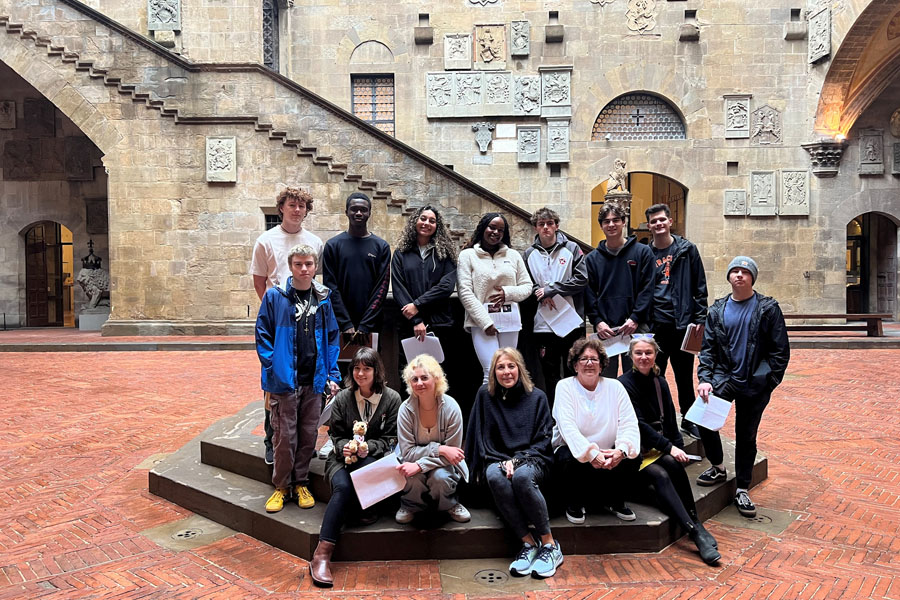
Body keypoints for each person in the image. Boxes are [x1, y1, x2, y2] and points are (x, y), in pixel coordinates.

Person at [694, 256, 790, 518]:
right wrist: (705, 378)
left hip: (754, 382)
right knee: (703, 420)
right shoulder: (717, 310)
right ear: (728, 277)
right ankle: (718, 467)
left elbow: (780, 351)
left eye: (745, 272)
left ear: (752, 278)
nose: (739, 275)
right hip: (723, 379)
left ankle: (742, 488)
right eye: (734, 271)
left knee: (746, 435)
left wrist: (768, 382)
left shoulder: (768, 309)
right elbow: (708, 349)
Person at [619, 336, 720, 565]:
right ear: (631, 356)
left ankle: (695, 520)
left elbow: (671, 422)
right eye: (638, 353)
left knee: (674, 465)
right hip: (635, 450)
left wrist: (678, 447)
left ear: (656, 355)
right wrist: (669, 447)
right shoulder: (623, 384)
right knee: (661, 475)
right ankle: (695, 533)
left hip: (656, 447)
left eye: (648, 353)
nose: (643, 357)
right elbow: (638, 425)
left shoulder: (660, 382)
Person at [255, 244, 341, 514]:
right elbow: (263, 334)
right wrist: (273, 367)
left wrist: (331, 373)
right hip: (284, 381)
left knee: (308, 435)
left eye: (309, 264)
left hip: (314, 381)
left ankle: (301, 482)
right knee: (284, 436)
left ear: (315, 267)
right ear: (290, 266)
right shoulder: (275, 296)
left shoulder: (323, 299)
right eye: (298, 264)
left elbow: (331, 338)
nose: (304, 269)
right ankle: (282, 486)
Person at [465, 348, 563, 578]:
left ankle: (550, 545)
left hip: (533, 457)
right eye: (500, 367)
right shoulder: (485, 395)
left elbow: (543, 440)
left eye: (511, 366)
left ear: (520, 368)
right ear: (493, 372)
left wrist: (517, 460)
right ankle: (529, 543)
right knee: (494, 476)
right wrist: (502, 461)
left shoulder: (537, 397)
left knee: (522, 477)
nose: (506, 372)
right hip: (497, 457)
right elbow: (482, 438)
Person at [309, 348, 402, 587]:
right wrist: (345, 448)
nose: (361, 374)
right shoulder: (343, 398)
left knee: (362, 475)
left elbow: (391, 439)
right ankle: (322, 554)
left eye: (367, 368)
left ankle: (358, 511)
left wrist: (368, 447)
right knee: (342, 486)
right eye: (357, 368)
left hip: (373, 459)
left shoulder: (392, 398)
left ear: (376, 371)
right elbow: (335, 434)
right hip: (342, 459)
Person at [250, 188, 324, 465]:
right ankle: (273, 440)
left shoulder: (314, 242)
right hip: (279, 321)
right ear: (281, 207)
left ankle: (304, 442)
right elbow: (259, 281)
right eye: (292, 205)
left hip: (307, 318)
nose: (297, 210)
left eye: (302, 206)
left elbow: (316, 280)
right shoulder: (266, 241)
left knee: (306, 382)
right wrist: (274, 309)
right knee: (276, 381)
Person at [552, 337, 641, 523]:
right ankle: (575, 503)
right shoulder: (564, 386)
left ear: (601, 365)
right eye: (583, 359)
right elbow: (567, 428)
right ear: (575, 365)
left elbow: (629, 423)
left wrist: (621, 451)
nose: (589, 363)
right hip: (576, 452)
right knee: (567, 459)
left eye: (594, 359)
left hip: (608, 452)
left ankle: (614, 501)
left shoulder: (615, 386)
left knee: (633, 455)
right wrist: (591, 453)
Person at [645, 203, 708, 438]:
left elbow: (699, 286)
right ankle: (659, 419)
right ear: (649, 226)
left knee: (684, 376)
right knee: (655, 377)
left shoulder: (687, 250)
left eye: (662, 219)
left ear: (670, 221)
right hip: (656, 325)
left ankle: (689, 420)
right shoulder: (645, 254)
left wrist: (700, 317)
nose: (659, 224)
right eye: (654, 221)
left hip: (682, 324)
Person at [457, 213, 533, 384]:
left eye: (501, 230)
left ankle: (508, 402)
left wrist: (508, 293)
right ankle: (489, 403)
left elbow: (527, 286)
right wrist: (485, 322)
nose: (496, 232)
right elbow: (465, 291)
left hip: (509, 320)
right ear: (483, 228)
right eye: (492, 227)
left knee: (509, 370)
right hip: (481, 322)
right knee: (490, 371)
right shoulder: (467, 255)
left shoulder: (513, 255)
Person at [523, 207, 587, 407]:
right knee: (549, 374)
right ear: (535, 227)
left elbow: (582, 279)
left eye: (550, 223)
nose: (546, 227)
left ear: (557, 226)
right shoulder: (529, 253)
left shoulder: (572, 248)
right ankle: (553, 414)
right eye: (541, 224)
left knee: (572, 369)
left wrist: (551, 290)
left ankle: (574, 411)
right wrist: (538, 292)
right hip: (544, 324)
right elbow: (525, 282)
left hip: (570, 322)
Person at [395, 354, 470, 524]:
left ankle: (449, 504)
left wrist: (420, 465)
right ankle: (410, 505)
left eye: (424, 378)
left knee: (440, 477)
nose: (419, 383)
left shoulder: (451, 408)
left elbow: (453, 455)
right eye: (414, 379)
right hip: (414, 460)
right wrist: (440, 449)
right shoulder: (405, 410)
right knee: (412, 476)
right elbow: (408, 453)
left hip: (442, 464)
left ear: (436, 379)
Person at [584, 203, 655, 377]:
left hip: (637, 326)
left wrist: (635, 318)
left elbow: (648, 288)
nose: (611, 224)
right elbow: (589, 293)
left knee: (640, 377)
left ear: (624, 222)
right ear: (601, 225)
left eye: (616, 220)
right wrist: (598, 321)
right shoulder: (592, 259)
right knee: (605, 380)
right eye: (606, 221)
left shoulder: (643, 252)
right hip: (606, 330)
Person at [391, 205, 458, 374]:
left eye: (432, 221)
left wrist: (417, 305)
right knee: (409, 372)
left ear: (437, 226)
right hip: (409, 324)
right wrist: (416, 320)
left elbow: (446, 286)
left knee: (438, 374)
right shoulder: (401, 253)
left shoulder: (445, 253)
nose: (427, 223)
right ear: (415, 221)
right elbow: (398, 288)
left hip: (439, 322)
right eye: (423, 218)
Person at [322, 192, 391, 337]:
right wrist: (345, 322)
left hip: (371, 324)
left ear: (369, 213)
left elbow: (381, 288)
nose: (359, 213)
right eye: (354, 209)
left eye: (363, 210)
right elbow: (330, 286)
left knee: (371, 354)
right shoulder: (333, 245)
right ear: (346, 212)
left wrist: (366, 324)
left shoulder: (381, 247)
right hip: (339, 324)